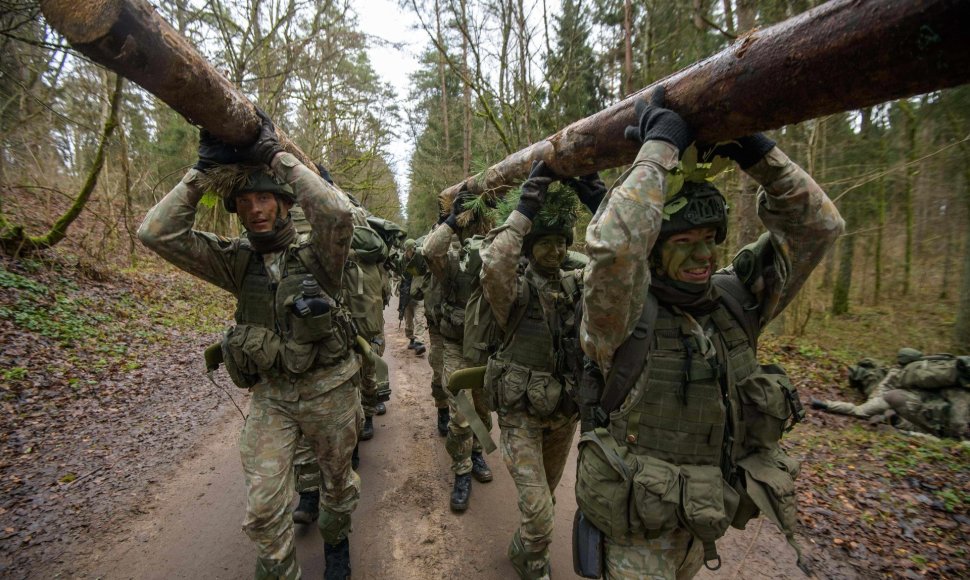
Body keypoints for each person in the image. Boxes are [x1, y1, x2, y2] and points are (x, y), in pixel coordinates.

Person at [576, 87, 844, 578]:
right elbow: (614, 248)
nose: (704, 256)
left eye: (709, 240)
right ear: (654, 250)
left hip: (703, 520)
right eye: (684, 242)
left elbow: (819, 226)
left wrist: (756, 152)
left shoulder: (737, 303)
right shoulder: (619, 318)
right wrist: (658, 150)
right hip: (638, 537)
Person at [137, 114, 361, 580]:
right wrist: (199, 177)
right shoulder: (236, 262)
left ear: (283, 204)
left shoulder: (321, 256)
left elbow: (338, 214)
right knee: (262, 510)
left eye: (265, 198)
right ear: (237, 210)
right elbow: (156, 234)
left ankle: (336, 542)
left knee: (339, 485)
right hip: (272, 398)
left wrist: (275, 156)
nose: (256, 208)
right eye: (245, 201)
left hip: (330, 391)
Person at [479, 167, 600, 578]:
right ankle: (532, 560)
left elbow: (623, 264)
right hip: (520, 416)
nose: (554, 251)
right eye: (544, 243)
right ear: (529, 248)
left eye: (561, 242)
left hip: (563, 414)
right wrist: (527, 207)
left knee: (545, 499)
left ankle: (526, 549)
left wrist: (600, 203)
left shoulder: (579, 284)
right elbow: (495, 261)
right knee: (539, 513)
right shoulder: (512, 290)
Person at [425, 200, 494, 511]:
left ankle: (477, 453)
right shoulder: (450, 260)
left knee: (482, 410)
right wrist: (449, 221)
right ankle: (462, 471)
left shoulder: (495, 253)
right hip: (455, 346)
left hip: (487, 348)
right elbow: (429, 250)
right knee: (460, 415)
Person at [812, 348, 923, 420]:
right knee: (860, 411)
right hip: (883, 398)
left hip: (885, 398)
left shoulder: (899, 370)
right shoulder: (904, 374)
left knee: (861, 411)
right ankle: (825, 404)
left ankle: (825, 404)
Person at [397, 239, 426, 355]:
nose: (410, 252)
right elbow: (398, 275)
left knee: (419, 319)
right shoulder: (402, 260)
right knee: (408, 320)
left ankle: (419, 343)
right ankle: (412, 339)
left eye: (412, 250)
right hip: (407, 295)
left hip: (418, 294)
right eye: (409, 250)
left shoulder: (421, 259)